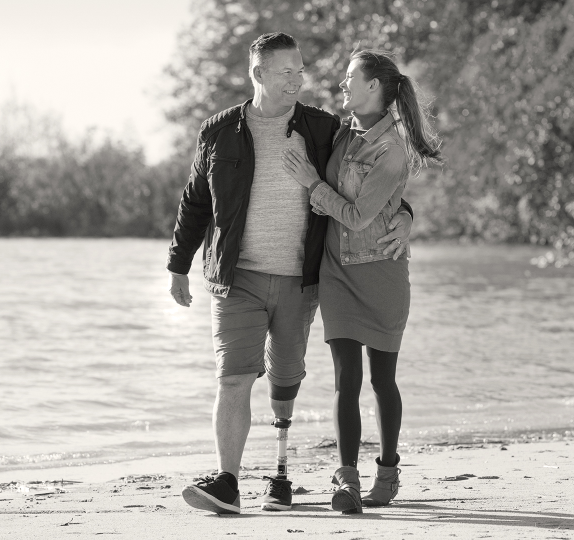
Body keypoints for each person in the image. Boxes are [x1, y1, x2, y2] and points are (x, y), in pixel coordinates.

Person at [166, 33, 414, 515]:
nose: (298, 80)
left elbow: (366, 185)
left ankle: (279, 473)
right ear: (258, 75)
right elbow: (196, 201)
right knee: (233, 377)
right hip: (236, 277)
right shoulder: (218, 130)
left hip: (303, 278)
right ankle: (228, 482)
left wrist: (405, 215)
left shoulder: (323, 128)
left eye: (301, 71)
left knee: (285, 380)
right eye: (287, 72)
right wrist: (178, 264)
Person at [282, 49, 443, 514]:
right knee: (345, 379)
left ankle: (388, 470)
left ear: (373, 86)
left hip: (381, 271)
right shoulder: (343, 130)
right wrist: (407, 214)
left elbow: (356, 215)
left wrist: (313, 184)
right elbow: (387, 205)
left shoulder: (391, 149)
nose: (343, 83)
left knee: (381, 380)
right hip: (337, 271)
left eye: (351, 77)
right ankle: (346, 480)